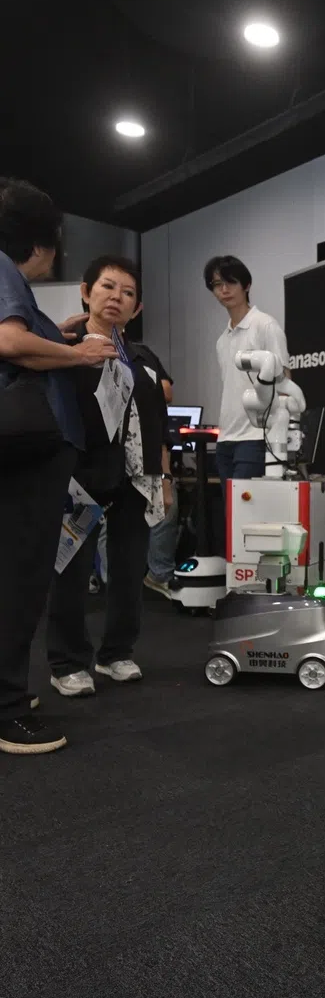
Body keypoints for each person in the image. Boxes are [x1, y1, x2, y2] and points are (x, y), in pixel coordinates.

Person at [0, 178, 117, 753]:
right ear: (41, 242)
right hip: (30, 457)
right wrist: (75, 352)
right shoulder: (4, 269)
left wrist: (57, 335)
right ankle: (7, 710)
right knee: (20, 581)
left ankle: (7, 692)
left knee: (18, 576)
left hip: (34, 457)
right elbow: (10, 343)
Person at [45, 255, 172, 697]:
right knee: (72, 571)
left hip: (135, 478)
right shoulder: (63, 346)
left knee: (129, 568)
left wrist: (164, 477)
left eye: (128, 292)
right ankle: (66, 662)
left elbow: (158, 420)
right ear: (86, 292)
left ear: (137, 308)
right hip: (80, 477)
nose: (117, 297)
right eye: (107, 287)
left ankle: (116, 652)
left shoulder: (143, 357)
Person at [205, 255, 288, 481]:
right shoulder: (222, 340)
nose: (224, 289)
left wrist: (278, 433)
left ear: (246, 285)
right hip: (225, 438)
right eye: (217, 284)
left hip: (256, 436)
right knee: (228, 505)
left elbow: (284, 383)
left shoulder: (265, 325)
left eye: (231, 282)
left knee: (246, 504)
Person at [144, 359, 179, 598]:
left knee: (165, 511)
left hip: (150, 451)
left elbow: (166, 392)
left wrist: (166, 477)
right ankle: (112, 579)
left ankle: (159, 574)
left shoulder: (143, 355)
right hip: (105, 454)